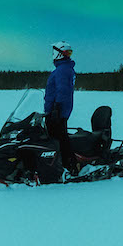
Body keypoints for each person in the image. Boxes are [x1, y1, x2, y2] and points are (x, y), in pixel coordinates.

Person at [44, 40, 78, 175]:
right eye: (66, 53)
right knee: (57, 139)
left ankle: (69, 166)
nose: (68, 55)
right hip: (56, 110)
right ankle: (63, 165)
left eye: (69, 53)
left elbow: (63, 91)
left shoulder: (63, 69)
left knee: (59, 139)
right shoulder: (63, 68)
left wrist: (56, 109)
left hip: (57, 111)